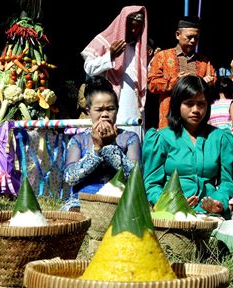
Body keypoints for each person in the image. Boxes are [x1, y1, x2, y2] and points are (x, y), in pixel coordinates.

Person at [143, 75, 233, 217]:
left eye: (201, 104)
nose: (196, 110)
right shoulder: (161, 139)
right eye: (189, 103)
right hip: (171, 215)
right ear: (177, 104)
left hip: (211, 217)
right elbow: (151, 184)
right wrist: (172, 203)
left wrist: (218, 202)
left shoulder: (220, 138)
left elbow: (226, 183)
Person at [62, 76, 141, 211]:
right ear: (88, 111)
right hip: (82, 202)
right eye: (99, 110)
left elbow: (136, 177)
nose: (105, 114)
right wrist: (97, 150)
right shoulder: (78, 139)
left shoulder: (130, 138)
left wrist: (111, 147)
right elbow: (70, 177)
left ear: (117, 109)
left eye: (110, 109)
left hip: (120, 202)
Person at [81, 6, 148, 140]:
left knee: (133, 143)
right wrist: (110, 56)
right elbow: (88, 68)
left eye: (138, 27)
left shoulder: (140, 49)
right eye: (131, 26)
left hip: (133, 107)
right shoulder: (105, 41)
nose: (134, 31)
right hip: (110, 105)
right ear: (123, 24)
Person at [148, 16, 216, 129]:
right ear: (177, 35)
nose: (193, 41)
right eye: (189, 37)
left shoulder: (204, 61)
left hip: (196, 119)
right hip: (169, 117)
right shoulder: (162, 57)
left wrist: (207, 84)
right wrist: (175, 82)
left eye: (196, 38)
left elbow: (213, 83)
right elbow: (151, 84)